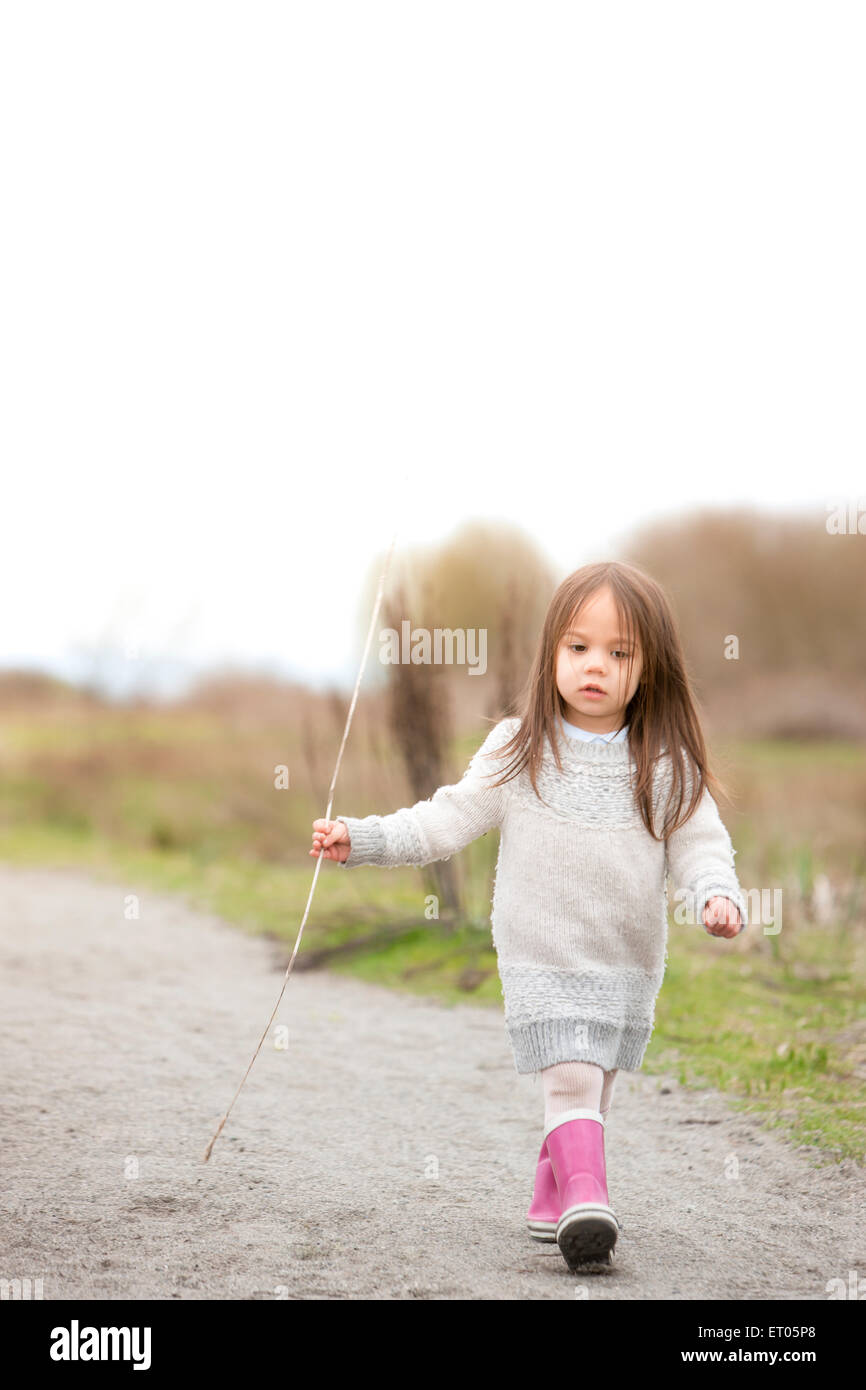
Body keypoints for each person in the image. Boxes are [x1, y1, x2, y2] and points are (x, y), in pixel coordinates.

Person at [310, 560, 747, 1271]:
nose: (594, 666)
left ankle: (553, 1195)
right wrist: (362, 838)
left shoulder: (666, 765)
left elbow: (701, 847)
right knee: (570, 1074)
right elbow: (443, 823)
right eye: (578, 648)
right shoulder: (519, 748)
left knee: (592, 1087)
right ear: (550, 655)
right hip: (540, 953)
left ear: (651, 668)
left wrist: (715, 896)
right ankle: (586, 1194)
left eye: (619, 652)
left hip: (626, 958)